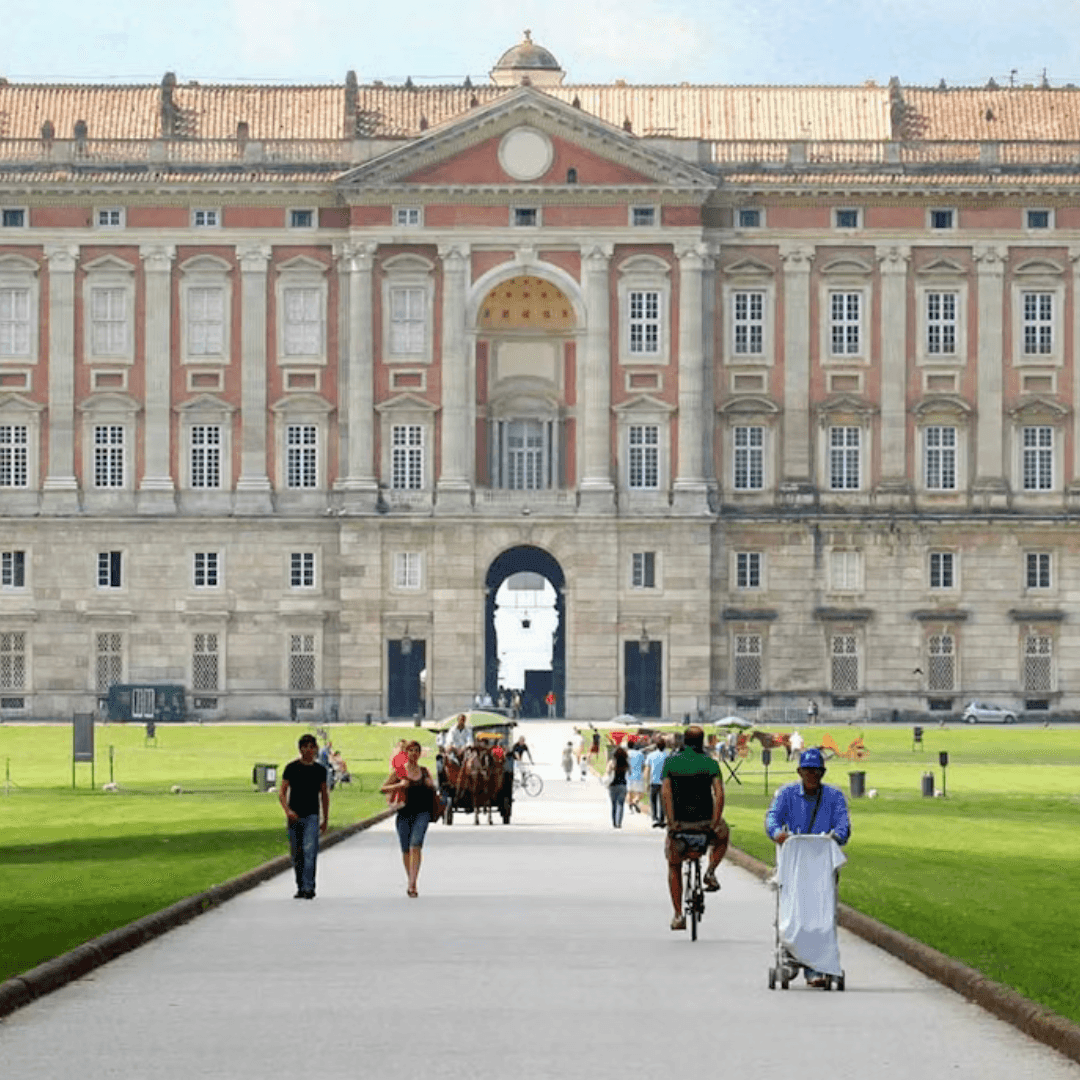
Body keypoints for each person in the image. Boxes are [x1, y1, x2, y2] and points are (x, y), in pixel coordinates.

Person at [764, 747, 851, 986]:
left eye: (817, 771)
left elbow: (843, 824)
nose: (812, 775)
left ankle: (817, 965)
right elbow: (772, 818)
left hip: (821, 866)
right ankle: (791, 955)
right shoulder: (787, 794)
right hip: (794, 865)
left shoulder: (833, 797)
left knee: (822, 913)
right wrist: (777, 833)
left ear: (823, 772)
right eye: (808, 771)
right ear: (799, 771)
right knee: (793, 910)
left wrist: (837, 836)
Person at [661, 725, 728, 930]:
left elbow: (666, 794)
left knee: (674, 865)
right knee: (724, 835)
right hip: (704, 823)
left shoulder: (671, 763)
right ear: (702, 743)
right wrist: (715, 822)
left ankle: (678, 914)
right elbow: (719, 795)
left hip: (680, 823)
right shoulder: (710, 764)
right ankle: (710, 870)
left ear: (684, 742)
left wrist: (672, 823)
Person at [380, 740, 437, 898]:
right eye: (410, 750)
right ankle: (411, 879)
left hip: (422, 813)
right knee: (405, 850)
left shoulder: (424, 772)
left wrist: (430, 785)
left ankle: (412, 884)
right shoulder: (399, 771)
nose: (413, 753)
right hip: (404, 813)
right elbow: (383, 788)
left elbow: (433, 788)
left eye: (416, 750)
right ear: (406, 753)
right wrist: (399, 786)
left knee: (415, 846)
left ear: (419, 754)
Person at [279, 734, 329, 899]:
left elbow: (324, 795)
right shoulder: (292, 768)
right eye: (305, 747)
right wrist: (287, 811)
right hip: (294, 815)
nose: (308, 750)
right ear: (300, 749)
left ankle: (309, 887)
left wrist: (325, 818)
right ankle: (300, 885)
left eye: (311, 747)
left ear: (315, 749)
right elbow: (282, 792)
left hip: (311, 815)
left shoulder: (319, 770)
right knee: (296, 853)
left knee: (310, 851)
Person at [644, 736, 670, 827]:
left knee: (653, 800)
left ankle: (654, 818)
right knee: (663, 801)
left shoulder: (651, 756)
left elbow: (647, 770)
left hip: (654, 781)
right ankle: (662, 819)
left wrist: (646, 783)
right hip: (665, 782)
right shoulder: (669, 755)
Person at [605, 745, 630, 828]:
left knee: (614, 805)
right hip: (623, 785)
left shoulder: (612, 762)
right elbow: (629, 773)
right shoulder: (626, 763)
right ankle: (619, 822)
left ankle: (614, 823)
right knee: (621, 804)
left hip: (613, 785)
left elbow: (607, 772)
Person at [627, 740, 646, 814]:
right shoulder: (640, 754)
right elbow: (643, 764)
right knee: (639, 793)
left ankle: (630, 805)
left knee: (629, 792)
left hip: (629, 775)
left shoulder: (627, 753)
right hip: (638, 775)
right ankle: (635, 802)